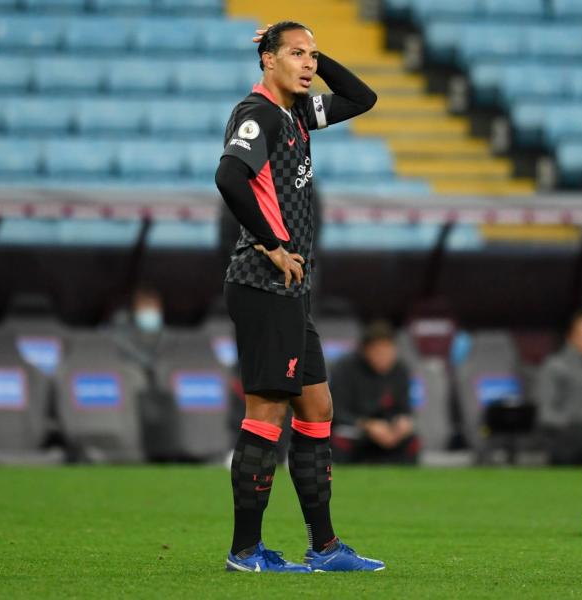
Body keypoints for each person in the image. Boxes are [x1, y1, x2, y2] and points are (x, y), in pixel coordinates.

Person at [213, 21, 381, 573]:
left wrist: (317, 55)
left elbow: (363, 97)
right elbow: (230, 178)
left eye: (312, 55)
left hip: (291, 289)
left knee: (317, 408)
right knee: (265, 414)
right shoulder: (258, 114)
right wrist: (275, 242)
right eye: (295, 54)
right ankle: (244, 552)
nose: (308, 64)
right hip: (263, 284)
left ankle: (326, 548)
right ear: (266, 60)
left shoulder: (297, 114)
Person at [330, 321, 418, 464]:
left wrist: (402, 421)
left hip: (388, 432)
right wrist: (368, 425)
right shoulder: (344, 368)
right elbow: (337, 411)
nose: (384, 357)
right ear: (365, 350)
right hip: (356, 430)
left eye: (388, 351)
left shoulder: (401, 370)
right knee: (341, 438)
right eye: (378, 352)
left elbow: (404, 409)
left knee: (412, 440)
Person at [534, 313, 582, 465]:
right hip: (570, 437)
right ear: (570, 337)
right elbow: (545, 413)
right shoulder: (555, 367)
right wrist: (579, 424)